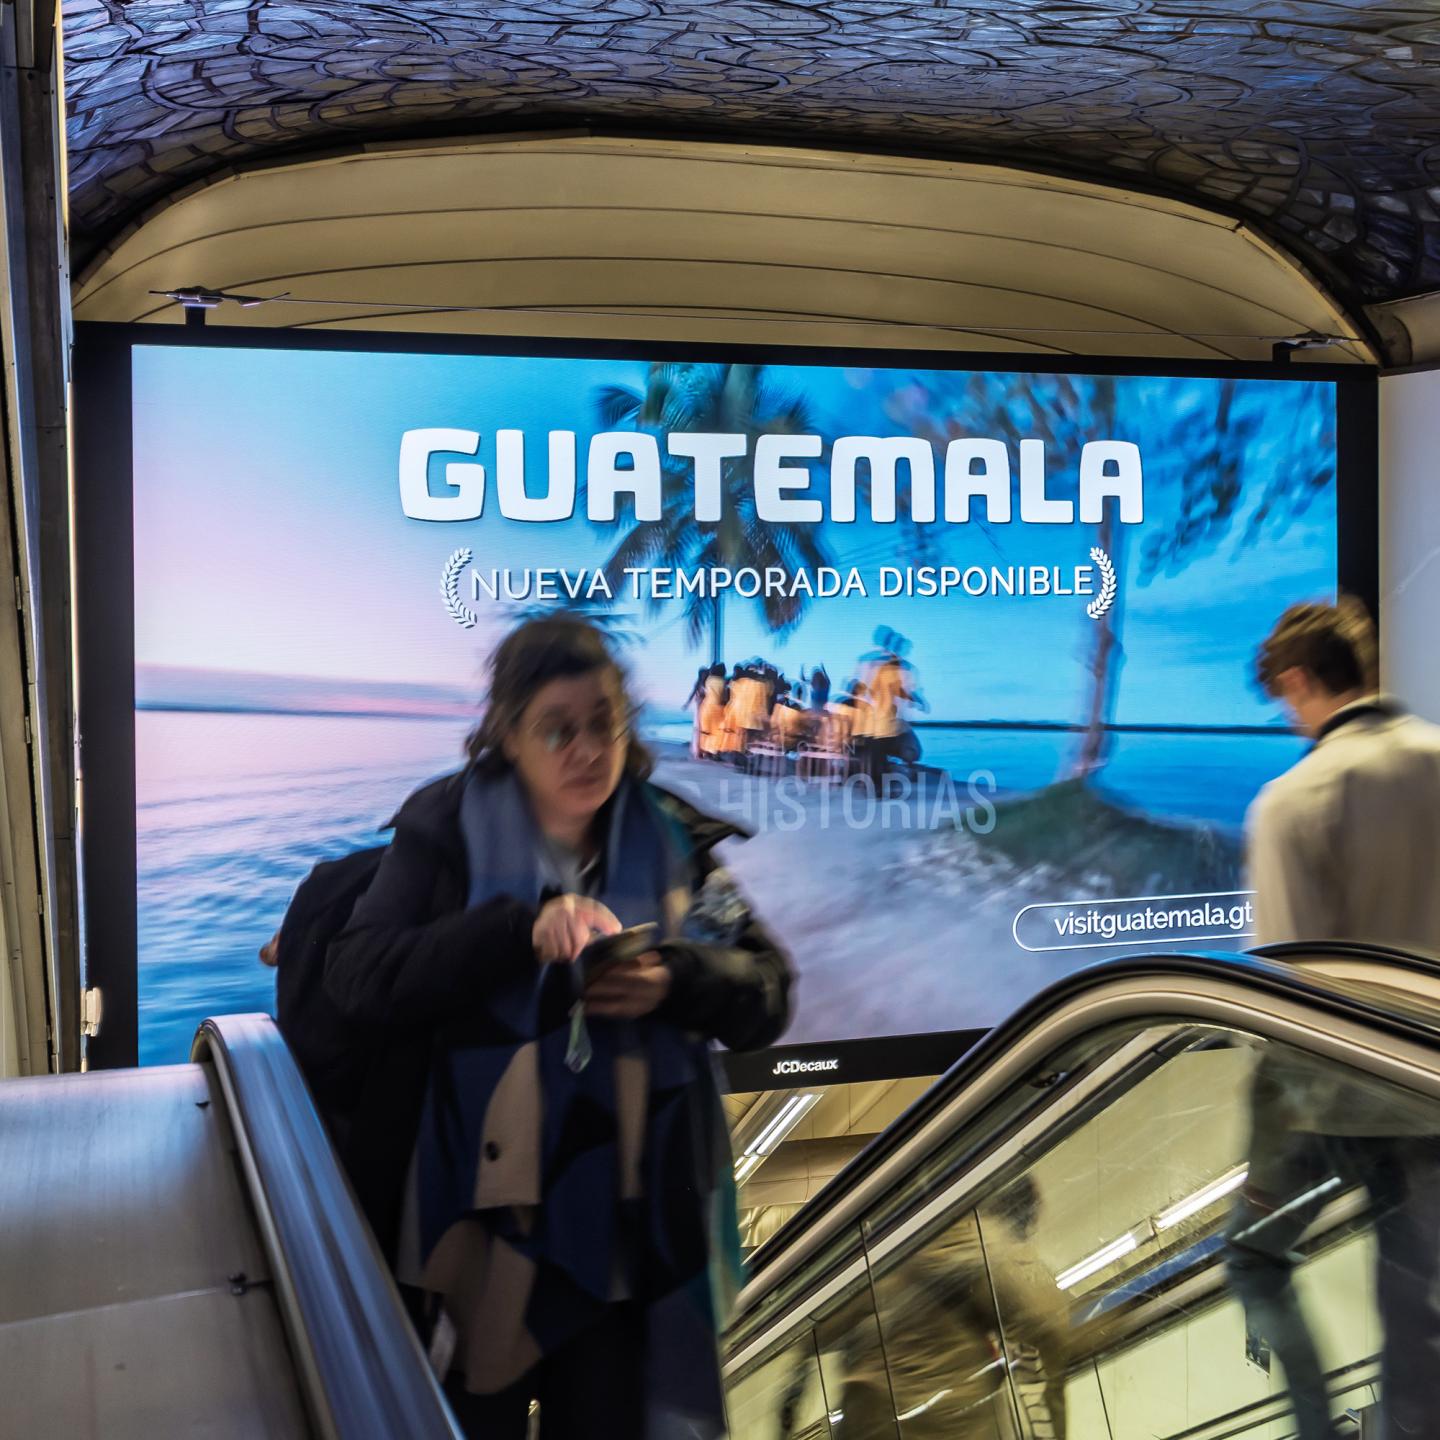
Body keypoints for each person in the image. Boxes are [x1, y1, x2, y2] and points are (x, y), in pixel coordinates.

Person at [324, 617, 793, 1439]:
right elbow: (357, 977)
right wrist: (517, 932)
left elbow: (769, 993)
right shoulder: (444, 833)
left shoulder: (676, 842)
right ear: (507, 736)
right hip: (477, 1242)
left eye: (603, 724)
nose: (587, 750)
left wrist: (678, 979)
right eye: (558, 730)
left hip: (629, 1246)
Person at [1228, 596, 1440, 1440]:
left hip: (1349, 1100)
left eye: (1282, 694)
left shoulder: (1293, 799)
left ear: (1299, 679)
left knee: (1252, 1258)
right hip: (1433, 1084)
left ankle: (1319, 1433)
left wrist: (1267, 1149)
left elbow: (1292, 999)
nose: (1284, 712)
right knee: (1415, 1307)